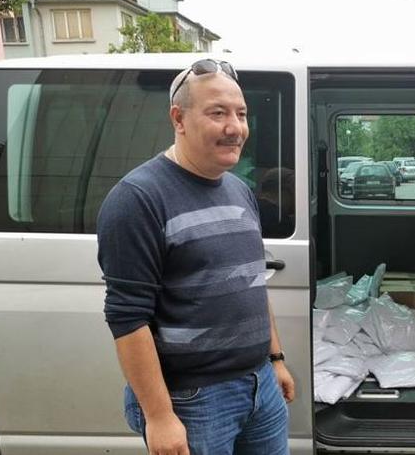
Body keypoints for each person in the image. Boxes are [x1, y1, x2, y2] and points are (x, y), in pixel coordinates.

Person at [97, 59, 295, 455]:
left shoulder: (238, 190)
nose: (235, 127)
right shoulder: (137, 199)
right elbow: (127, 318)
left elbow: (252, 282)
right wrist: (159, 416)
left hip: (259, 386)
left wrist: (274, 358)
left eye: (241, 114)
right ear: (179, 119)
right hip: (193, 400)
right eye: (217, 113)